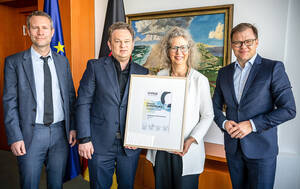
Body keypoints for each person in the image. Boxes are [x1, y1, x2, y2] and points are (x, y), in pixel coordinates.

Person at [213, 23, 296, 189]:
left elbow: (288, 109)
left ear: (256, 42)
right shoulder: (224, 72)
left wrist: (252, 125)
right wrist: (224, 123)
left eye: (248, 41)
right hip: (233, 149)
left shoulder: (273, 68)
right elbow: (214, 107)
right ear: (232, 45)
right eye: (237, 42)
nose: (243, 46)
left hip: (262, 151)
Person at [2, 11, 76, 189]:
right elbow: (9, 102)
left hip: (60, 133)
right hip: (30, 134)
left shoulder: (62, 61)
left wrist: (72, 126)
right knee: (29, 183)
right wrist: (15, 137)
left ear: (52, 32)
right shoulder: (14, 62)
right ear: (28, 31)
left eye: (44, 28)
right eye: (35, 28)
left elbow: (70, 97)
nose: (40, 32)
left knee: (57, 183)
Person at [76, 22, 149, 189]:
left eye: (127, 41)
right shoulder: (95, 67)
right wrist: (84, 138)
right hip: (99, 144)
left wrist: (139, 136)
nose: (122, 45)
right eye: (117, 41)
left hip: (130, 145)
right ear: (109, 44)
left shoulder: (143, 72)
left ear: (132, 44)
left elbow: (144, 109)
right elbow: (83, 103)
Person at [146, 27, 214, 189]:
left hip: (187, 149)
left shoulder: (199, 80)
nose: (179, 52)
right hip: (161, 149)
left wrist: (192, 139)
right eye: (174, 47)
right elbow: (153, 110)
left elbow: (208, 115)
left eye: (183, 47)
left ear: (189, 50)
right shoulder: (159, 76)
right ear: (167, 51)